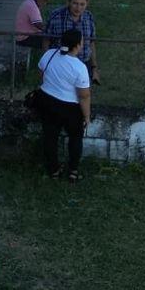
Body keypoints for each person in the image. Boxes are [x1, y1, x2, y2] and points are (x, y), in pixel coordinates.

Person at [36, 28, 91, 181]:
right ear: (78, 45)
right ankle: (73, 170)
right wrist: (86, 116)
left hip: (47, 101)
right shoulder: (79, 68)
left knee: (50, 137)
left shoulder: (50, 54)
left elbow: (41, 73)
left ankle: (53, 170)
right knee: (75, 138)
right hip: (70, 108)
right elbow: (84, 95)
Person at [45, 0, 100, 84]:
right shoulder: (56, 16)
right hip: (61, 64)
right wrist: (47, 64)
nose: (78, 8)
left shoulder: (89, 17)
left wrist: (94, 68)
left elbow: (91, 43)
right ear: (68, 2)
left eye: (82, 4)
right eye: (75, 3)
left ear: (87, 3)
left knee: (82, 95)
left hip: (83, 63)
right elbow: (46, 40)